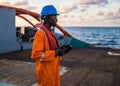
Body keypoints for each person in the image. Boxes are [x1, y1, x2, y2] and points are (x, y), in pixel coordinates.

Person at [31, 5, 72, 86]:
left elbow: (52, 49)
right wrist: (55, 53)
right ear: (46, 18)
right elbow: (35, 55)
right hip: (45, 72)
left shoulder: (50, 33)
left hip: (54, 69)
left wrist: (62, 51)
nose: (56, 19)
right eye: (54, 16)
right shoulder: (40, 34)